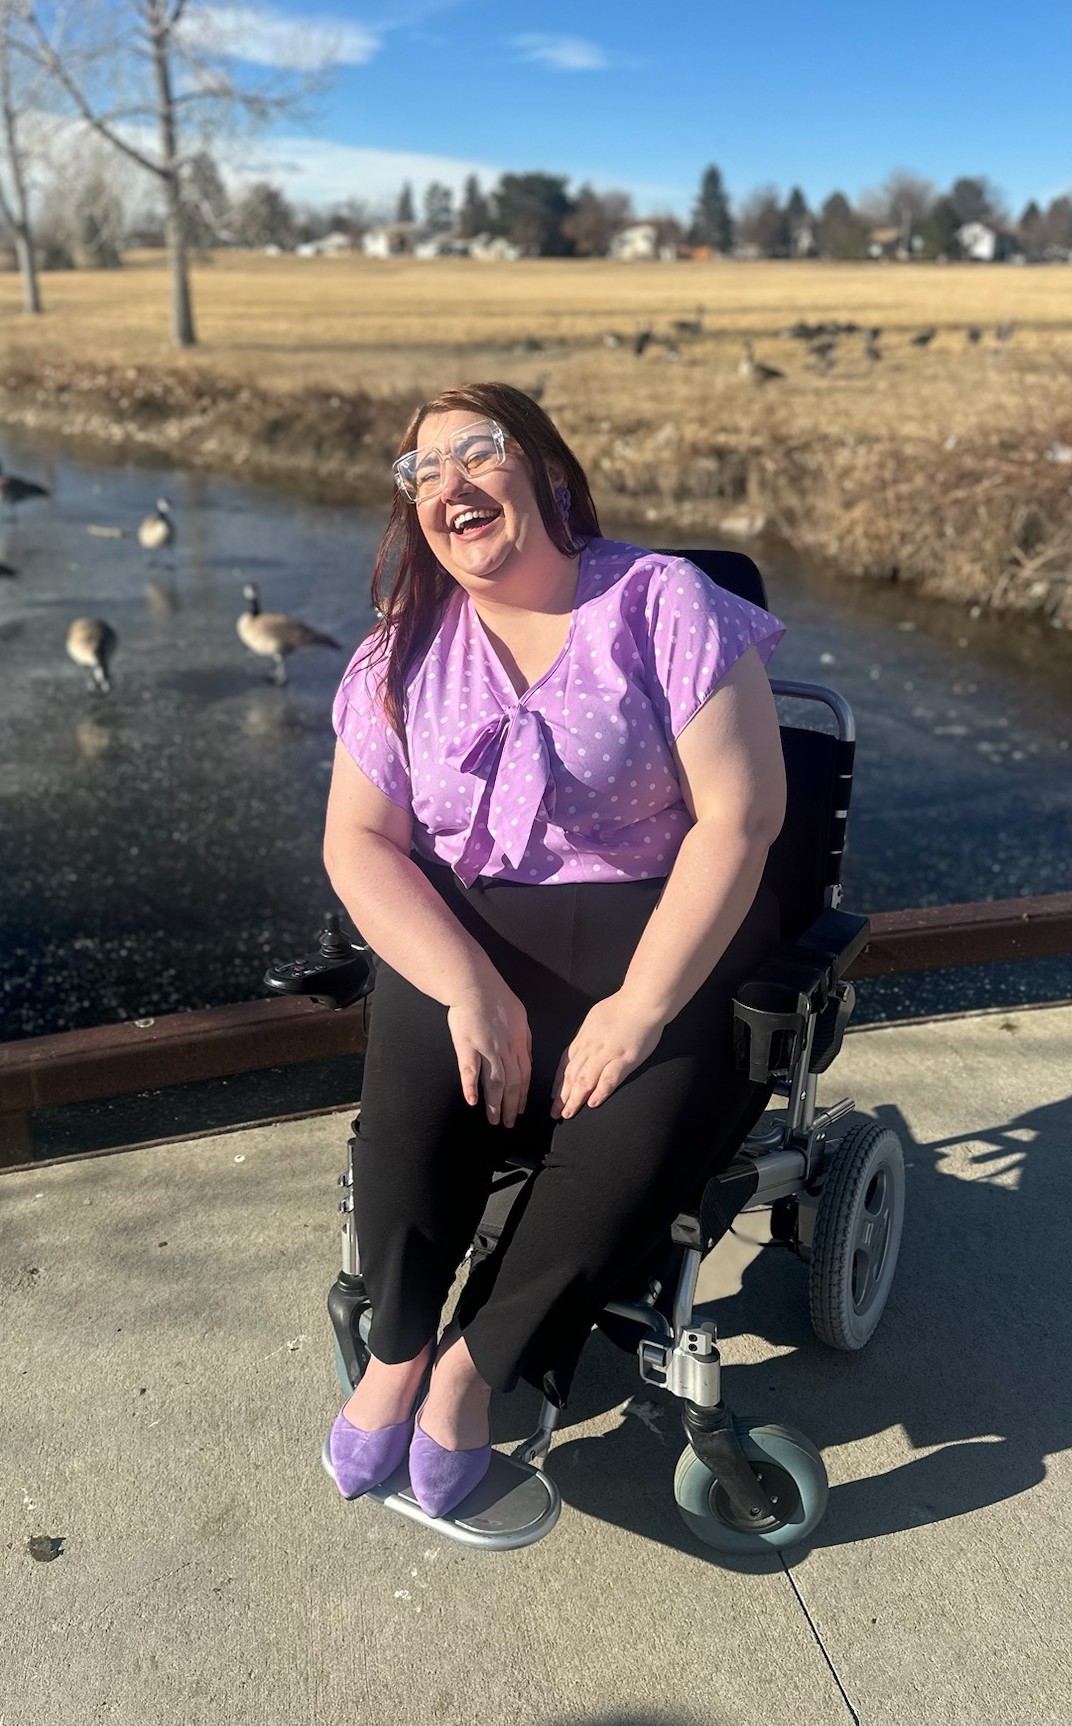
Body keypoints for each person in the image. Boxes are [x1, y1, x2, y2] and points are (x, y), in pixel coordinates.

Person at [323, 381, 787, 1520]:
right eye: (420, 470)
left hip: (664, 933)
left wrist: (638, 1005)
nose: (448, 484)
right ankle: (395, 1352)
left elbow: (741, 816)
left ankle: (477, 1372)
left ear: (544, 470)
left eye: (476, 453)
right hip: (478, 933)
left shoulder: (659, 602)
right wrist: (469, 985)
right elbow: (358, 840)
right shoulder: (401, 652)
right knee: (414, 1057)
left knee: (635, 1124)